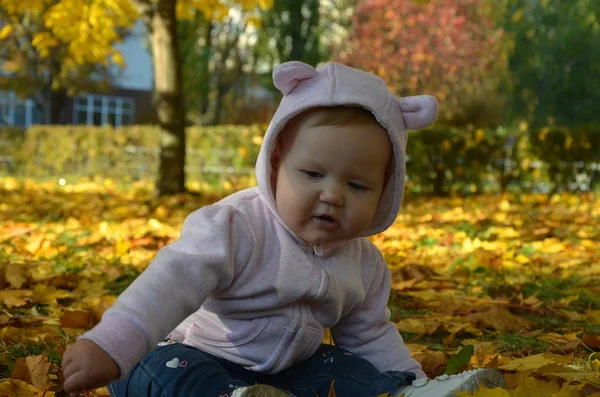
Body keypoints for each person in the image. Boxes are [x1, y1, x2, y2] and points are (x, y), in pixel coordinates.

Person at [61, 61, 506, 397]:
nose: (333, 194)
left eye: (356, 185)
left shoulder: (364, 265)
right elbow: (170, 282)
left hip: (288, 371)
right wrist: (112, 344)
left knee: (345, 368)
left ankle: (406, 393)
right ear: (276, 164)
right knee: (163, 373)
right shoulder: (236, 225)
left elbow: (369, 334)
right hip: (195, 352)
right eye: (313, 174)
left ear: (384, 192)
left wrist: (409, 374)